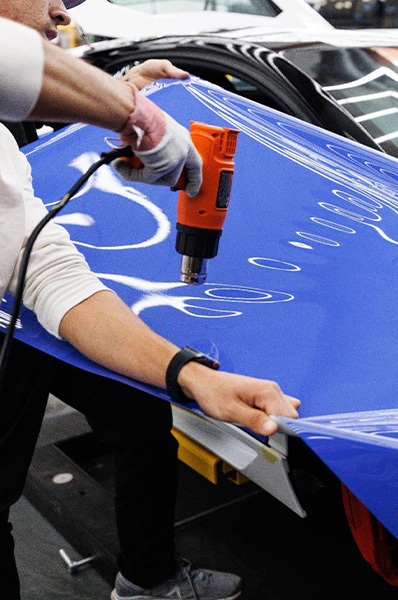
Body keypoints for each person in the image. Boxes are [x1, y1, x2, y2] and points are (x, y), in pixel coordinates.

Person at [0, 3, 301, 600]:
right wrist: (137, 116)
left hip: (27, 308)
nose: (60, 11)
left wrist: (186, 375)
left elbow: (43, 269)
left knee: (135, 418)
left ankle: (149, 579)